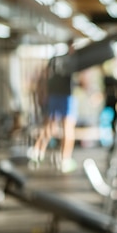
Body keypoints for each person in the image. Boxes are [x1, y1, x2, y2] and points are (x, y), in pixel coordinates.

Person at [29, 41, 78, 173]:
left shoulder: (54, 59)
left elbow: (43, 76)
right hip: (66, 96)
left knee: (50, 126)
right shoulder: (73, 60)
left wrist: (42, 93)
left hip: (53, 96)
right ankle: (65, 160)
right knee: (68, 128)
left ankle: (37, 152)